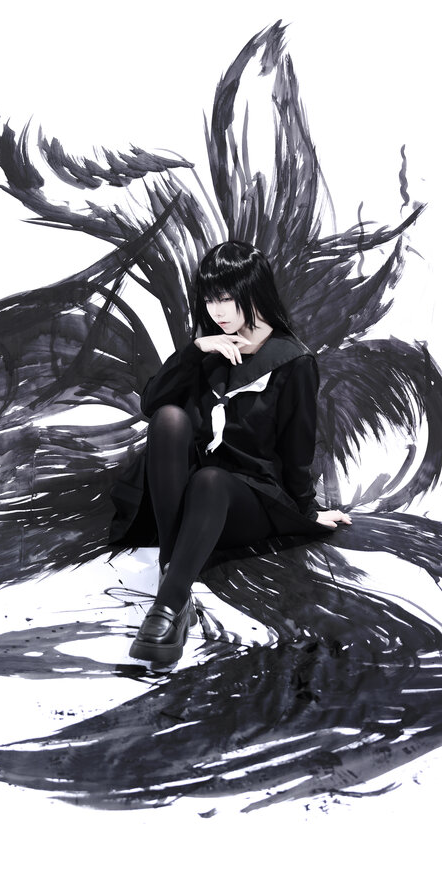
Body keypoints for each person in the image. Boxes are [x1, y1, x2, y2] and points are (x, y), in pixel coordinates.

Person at [110, 241, 351, 665]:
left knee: (211, 481)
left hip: (250, 499)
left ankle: (167, 606)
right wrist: (194, 352)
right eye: (209, 299)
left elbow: (298, 445)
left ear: (253, 292)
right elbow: (151, 404)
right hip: (191, 501)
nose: (217, 310)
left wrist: (308, 510)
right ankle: (173, 570)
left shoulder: (293, 361)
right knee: (168, 419)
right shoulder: (211, 349)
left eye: (225, 298)